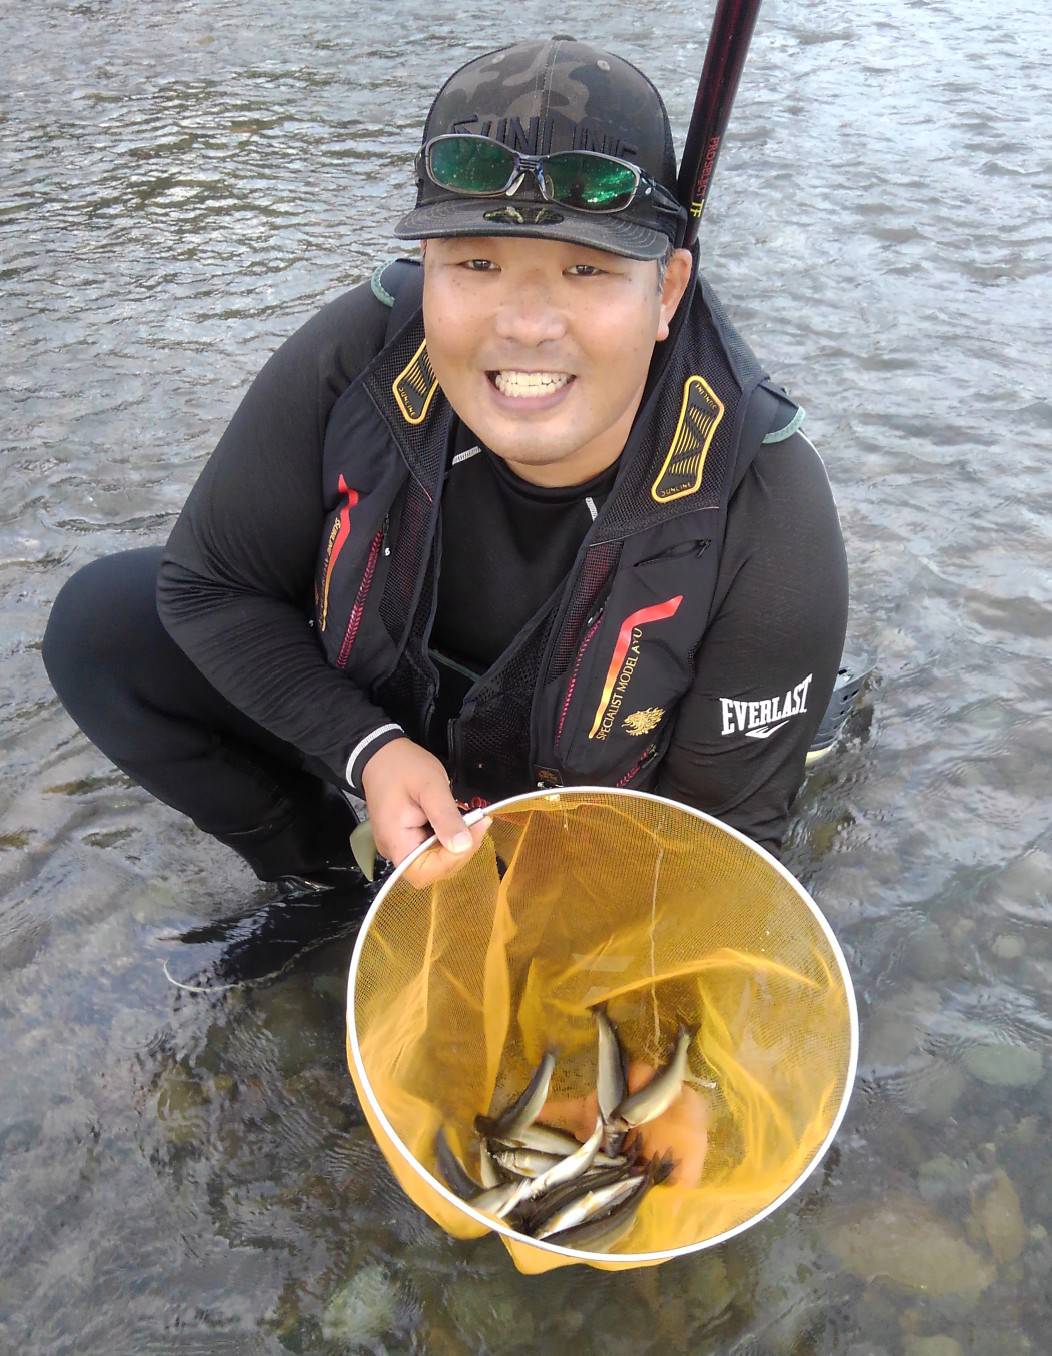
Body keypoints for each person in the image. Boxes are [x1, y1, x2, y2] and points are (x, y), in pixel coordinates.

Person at [42, 37, 849, 990]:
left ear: (666, 289)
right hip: (403, 736)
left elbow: (720, 851)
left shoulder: (764, 504)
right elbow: (209, 587)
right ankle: (337, 889)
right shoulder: (359, 359)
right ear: (425, 265)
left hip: (597, 799)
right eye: (476, 261)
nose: (527, 322)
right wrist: (368, 751)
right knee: (107, 627)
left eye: (587, 269)